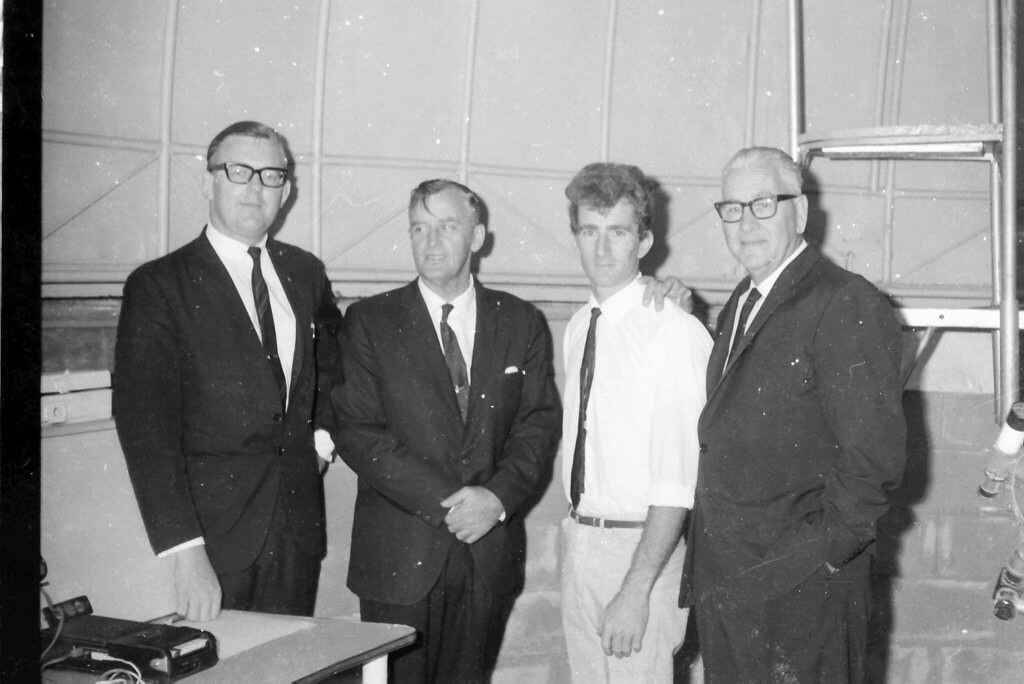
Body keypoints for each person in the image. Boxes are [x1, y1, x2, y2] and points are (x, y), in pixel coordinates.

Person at [679, 146, 907, 683]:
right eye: (731, 209)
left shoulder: (844, 301)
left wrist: (811, 564)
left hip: (802, 594)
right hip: (733, 584)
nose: (744, 223)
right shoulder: (741, 301)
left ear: (799, 212)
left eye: (762, 204)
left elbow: (872, 463)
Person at [331, 179, 561, 684]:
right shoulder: (369, 320)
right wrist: (454, 504)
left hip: (487, 554)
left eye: (447, 227)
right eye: (419, 228)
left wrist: (496, 501)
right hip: (398, 558)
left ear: (477, 237)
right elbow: (358, 432)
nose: (431, 242)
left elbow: (537, 426)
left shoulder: (521, 321)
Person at [113, 121, 341, 621]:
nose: (256, 187)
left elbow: (334, 362)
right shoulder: (158, 286)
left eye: (271, 175)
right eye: (239, 171)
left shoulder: (305, 273)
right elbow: (145, 430)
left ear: (287, 191)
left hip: (297, 526)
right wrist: (185, 552)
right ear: (208, 181)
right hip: (213, 540)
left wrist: (322, 439)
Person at [559, 163, 712, 684]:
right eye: (589, 232)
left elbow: (677, 483)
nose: (602, 250)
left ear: (644, 241)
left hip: (640, 553)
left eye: (618, 233)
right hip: (580, 540)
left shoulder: (673, 332)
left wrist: (635, 589)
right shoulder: (580, 326)